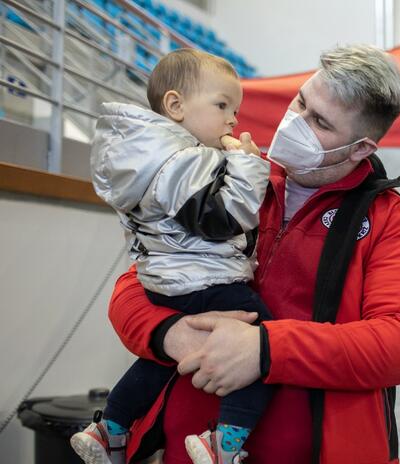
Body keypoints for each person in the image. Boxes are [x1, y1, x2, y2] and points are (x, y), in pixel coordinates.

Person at [106, 44, 400, 464]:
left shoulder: (394, 220)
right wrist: (170, 332)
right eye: (301, 100)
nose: (295, 121)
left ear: (360, 149)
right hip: (187, 447)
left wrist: (264, 350)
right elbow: (134, 287)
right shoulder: (234, 181)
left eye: (319, 121)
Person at [71, 49, 276, 464]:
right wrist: (248, 167)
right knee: (264, 344)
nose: (233, 120)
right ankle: (225, 442)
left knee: (163, 360)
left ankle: (111, 427)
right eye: (222, 106)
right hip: (204, 280)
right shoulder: (180, 160)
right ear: (175, 105)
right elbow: (222, 219)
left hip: (168, 283)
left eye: (235, 110)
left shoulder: (148, 155)